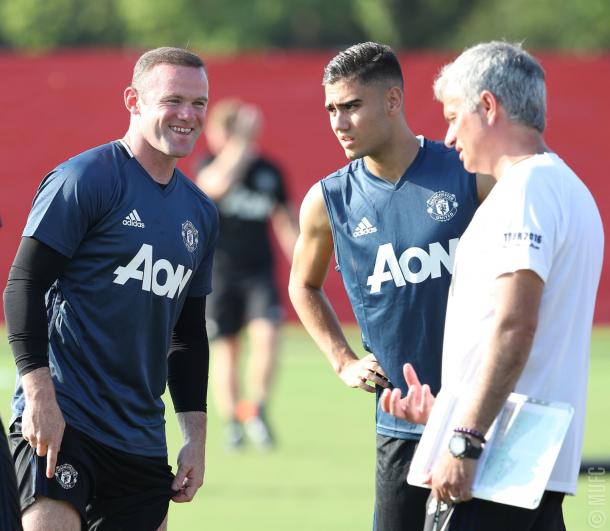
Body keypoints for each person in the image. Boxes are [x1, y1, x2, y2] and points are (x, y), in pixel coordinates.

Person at [381, 41, 604, 530]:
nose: (448, 134)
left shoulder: (525, 190)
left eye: (454, 115)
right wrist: (447, 412)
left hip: (494, 468)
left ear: (488, 106)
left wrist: (464, 438)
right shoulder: (568, 189)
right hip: (529, 463)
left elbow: (515, 326)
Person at [2, 47, 218, 531]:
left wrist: (195, 439)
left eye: (199, 103)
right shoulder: (86, 178)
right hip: (64, 422)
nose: (188, 115)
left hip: (141, 440)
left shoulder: (200, 213)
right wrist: (39, 397)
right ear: (134, 101)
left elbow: (187, 335)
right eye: (174, 100)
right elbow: (24, 285)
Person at [288, 41, 494, 530]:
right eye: (332, 110)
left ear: (393, 101)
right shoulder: (328, 200)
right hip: (400, 422)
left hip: (483, 413)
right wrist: (342, 360)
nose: (339, 122)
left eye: (352, 106)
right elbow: (303, 285)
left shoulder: (470, 174)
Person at [196, 99, 298, 450]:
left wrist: (302, 264)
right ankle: (233, 421)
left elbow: (287, 219)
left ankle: (257, 409)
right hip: (219, 274)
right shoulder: (210, 164)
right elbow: (215, 186)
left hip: (258, 271)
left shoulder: (268, 170)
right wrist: (240, 144)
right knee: (227, 349)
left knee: (267, 338)